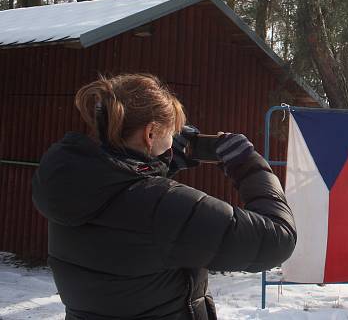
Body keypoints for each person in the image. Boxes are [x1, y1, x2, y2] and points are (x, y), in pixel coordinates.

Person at [32, 74, 296, 320]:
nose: (174, 140)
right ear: (150, 134)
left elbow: (128, 222)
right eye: (171, 132)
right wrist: (249, 166)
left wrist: (157, 166)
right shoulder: (162, 207)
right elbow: (277, 239)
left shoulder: (71, 184)